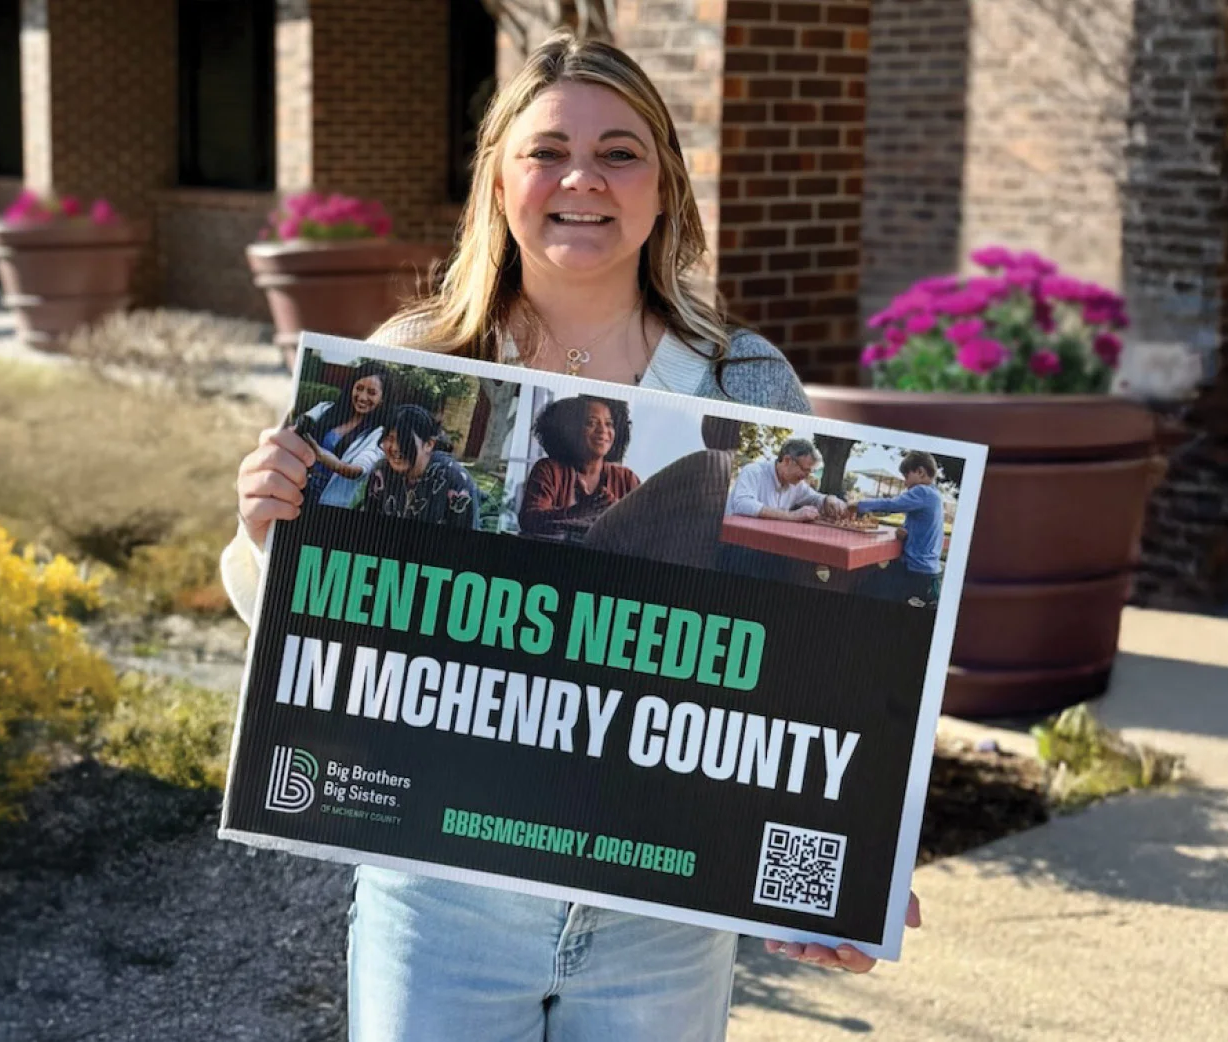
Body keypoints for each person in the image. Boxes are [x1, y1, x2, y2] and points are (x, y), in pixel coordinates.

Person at [224, 32, 920, 1041]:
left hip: (664, 914)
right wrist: (265, 534)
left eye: (620, 152)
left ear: (664, 187)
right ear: (498, 178)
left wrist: (840, 867)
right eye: (546, 150)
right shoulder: (419, 359)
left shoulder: (744, 380)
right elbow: (309, 628)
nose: (581, 178)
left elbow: (804, 666)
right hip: (442, 891)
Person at [519, 394, 641, 539]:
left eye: (609, 424)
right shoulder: (548, 469)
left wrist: (617, 512)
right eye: (591, 423)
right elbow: (529, 519)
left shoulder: (626, 479)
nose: (603, 430)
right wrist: (580, 512)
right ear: (572, 429)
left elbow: (647, 527)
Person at [850, 451, 947, 606]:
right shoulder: (935, 495)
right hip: (930, 571)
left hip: (916, 569)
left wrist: (859, 505)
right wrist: (906, 532)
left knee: (864, 587)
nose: (905, 483)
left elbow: (892, 504)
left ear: (920, 472)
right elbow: (923, 525)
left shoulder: (922, 491)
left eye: (906, 477)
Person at [294, 361, 396, 509]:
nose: (362, 397)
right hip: (297, 485)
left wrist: (322, 455)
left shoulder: (379, 435)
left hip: (326, 501)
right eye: (359, 388)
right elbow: (297, 428)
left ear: (383, 399)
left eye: (371, 393)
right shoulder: (325, 408)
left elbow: (358, 470)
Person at [362, 404, 481, 529]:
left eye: (404, 440)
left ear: (429, 444)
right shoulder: (380, 473)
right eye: (390, 439)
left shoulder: (456, 481)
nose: (395, 448)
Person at [726, 437, 847, 522]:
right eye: (805, 470)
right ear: (787, 460)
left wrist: (829, 498)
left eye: (810, 471)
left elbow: (815, 498)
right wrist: (791, 516)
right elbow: (742, 505)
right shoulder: (754, 471)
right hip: (737, 543)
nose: (807, 476)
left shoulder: (796, 484)